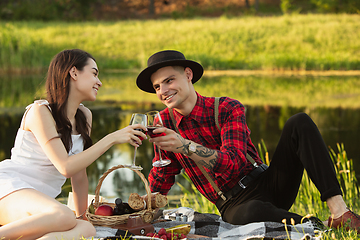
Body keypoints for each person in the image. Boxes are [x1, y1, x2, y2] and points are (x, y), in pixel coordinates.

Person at [135, 50, 360, 232]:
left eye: (169, 80)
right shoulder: (163, 123)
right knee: (248, 214)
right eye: (157, 87)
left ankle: (340, 213)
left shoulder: (226, 108)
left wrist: (184, 145)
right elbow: (163, 175)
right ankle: (316, 227)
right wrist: (142, 211)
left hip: (268, 181)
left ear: (188, 74)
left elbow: (233, 162)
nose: (163, 91)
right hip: (233, 204)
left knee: (299, 122)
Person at [0, 49, 147, 240]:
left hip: (42, 204)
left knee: (86, 229)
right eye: (94, 73)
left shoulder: (84, 116)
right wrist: (111, 138)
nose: (99, 82)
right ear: (74, 72)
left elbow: (79, 175)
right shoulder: (40, 112)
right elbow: (66, 167)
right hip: (10, 189)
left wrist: (82, 216)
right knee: (63, 215)